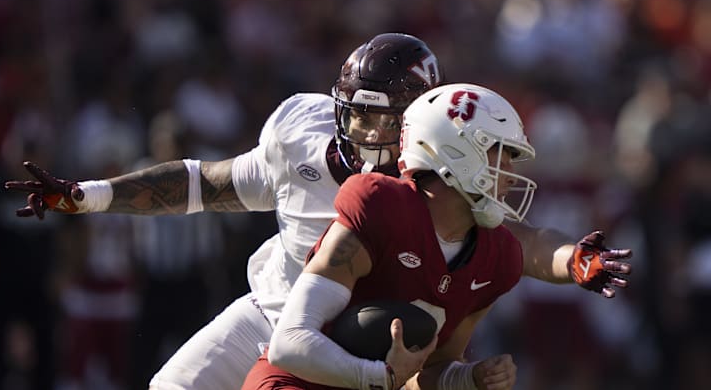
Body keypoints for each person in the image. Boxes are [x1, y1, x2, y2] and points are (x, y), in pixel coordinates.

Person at [4, 34, 630, 390]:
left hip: (360, 332)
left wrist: (571, 256)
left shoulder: (430, 177)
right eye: (354, 108)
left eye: (378, 113)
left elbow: (509, 235)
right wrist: (93, 195)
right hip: (278, 312)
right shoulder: (301, 135)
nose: (359, 125)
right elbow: (210, 183)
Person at [241, 83, 632, 390]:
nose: (511, 171)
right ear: (457, 151)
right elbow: (289, 343)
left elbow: (428, 374)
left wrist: (471, 378)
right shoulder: (380, 206)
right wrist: (378, 378)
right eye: (502, 152)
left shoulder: (495, 255)